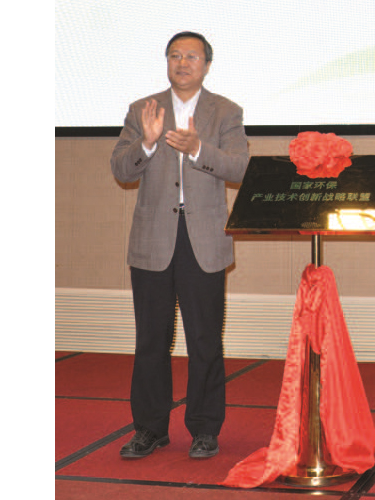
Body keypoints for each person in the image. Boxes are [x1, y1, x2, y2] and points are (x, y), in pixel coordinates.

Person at [111, 31, 249, 459]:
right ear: (167, 62)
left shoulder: (225, 111)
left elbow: (240, 168)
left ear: (206, 64)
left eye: (192, 56)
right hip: (153, 239)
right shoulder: (143, 109)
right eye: (175, 55)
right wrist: (148, 142)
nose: (183, 63)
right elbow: (121, 169)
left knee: (204, 339)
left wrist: (198, 149)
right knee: (151, 340)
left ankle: (205, 429)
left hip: (203, 239)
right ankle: (149, 429)